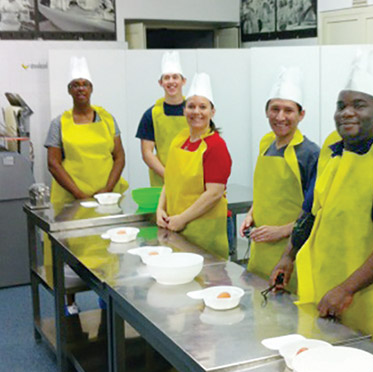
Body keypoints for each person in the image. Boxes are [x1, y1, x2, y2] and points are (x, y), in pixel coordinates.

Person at [270, 50, 373, 353]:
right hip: (332, 293)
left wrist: (347, 288)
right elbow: (310, 212)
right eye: (341, 105)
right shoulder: (332, 153)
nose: (347, 112)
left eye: (359, 105)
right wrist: (289, 255)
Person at [44, 56, 128, 314]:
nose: (81, 88)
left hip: (106, 199)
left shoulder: (107, 119)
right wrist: (79, 194)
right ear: (69, 90)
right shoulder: (59, 123)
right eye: (75, 84)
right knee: (70, 251)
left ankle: (107, 298)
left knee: (107, 249)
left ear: (91, 89)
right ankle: (70, 303)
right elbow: (54, 163)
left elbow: (119, 156)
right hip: (71, 200)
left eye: (85, 84)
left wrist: (107, 189)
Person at [240, 66, 319, 287]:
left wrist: (281, 231)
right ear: (266, 111)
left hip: (292, 251)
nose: (280, 117)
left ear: (301, 115)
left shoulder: (310, 153)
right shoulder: (266, 144)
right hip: (260, 249)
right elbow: (268, 192)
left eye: (288, 110)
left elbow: (318, 211)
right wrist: (251, 213)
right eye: (274, 109)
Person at [156, 72, 232, 259]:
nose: (196, 112)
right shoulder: (180, 140)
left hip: (204, 230)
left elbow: (214, 193)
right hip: (176, 226)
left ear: (212, 112)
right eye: (191, 106)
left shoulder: (216, 145)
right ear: (184, 110)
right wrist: (160, 209)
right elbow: (170, 179)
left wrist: (182, 219)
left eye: (203, 107)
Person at [136, 51, 189, 187]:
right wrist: (168, 176)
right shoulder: (151, 115)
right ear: (160, 83)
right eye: (166, 78)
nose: (171, 81)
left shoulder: (194, 111)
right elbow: (147, 152)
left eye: (175, 77)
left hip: (192, 178)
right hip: (163, 181)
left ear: (183, 81)